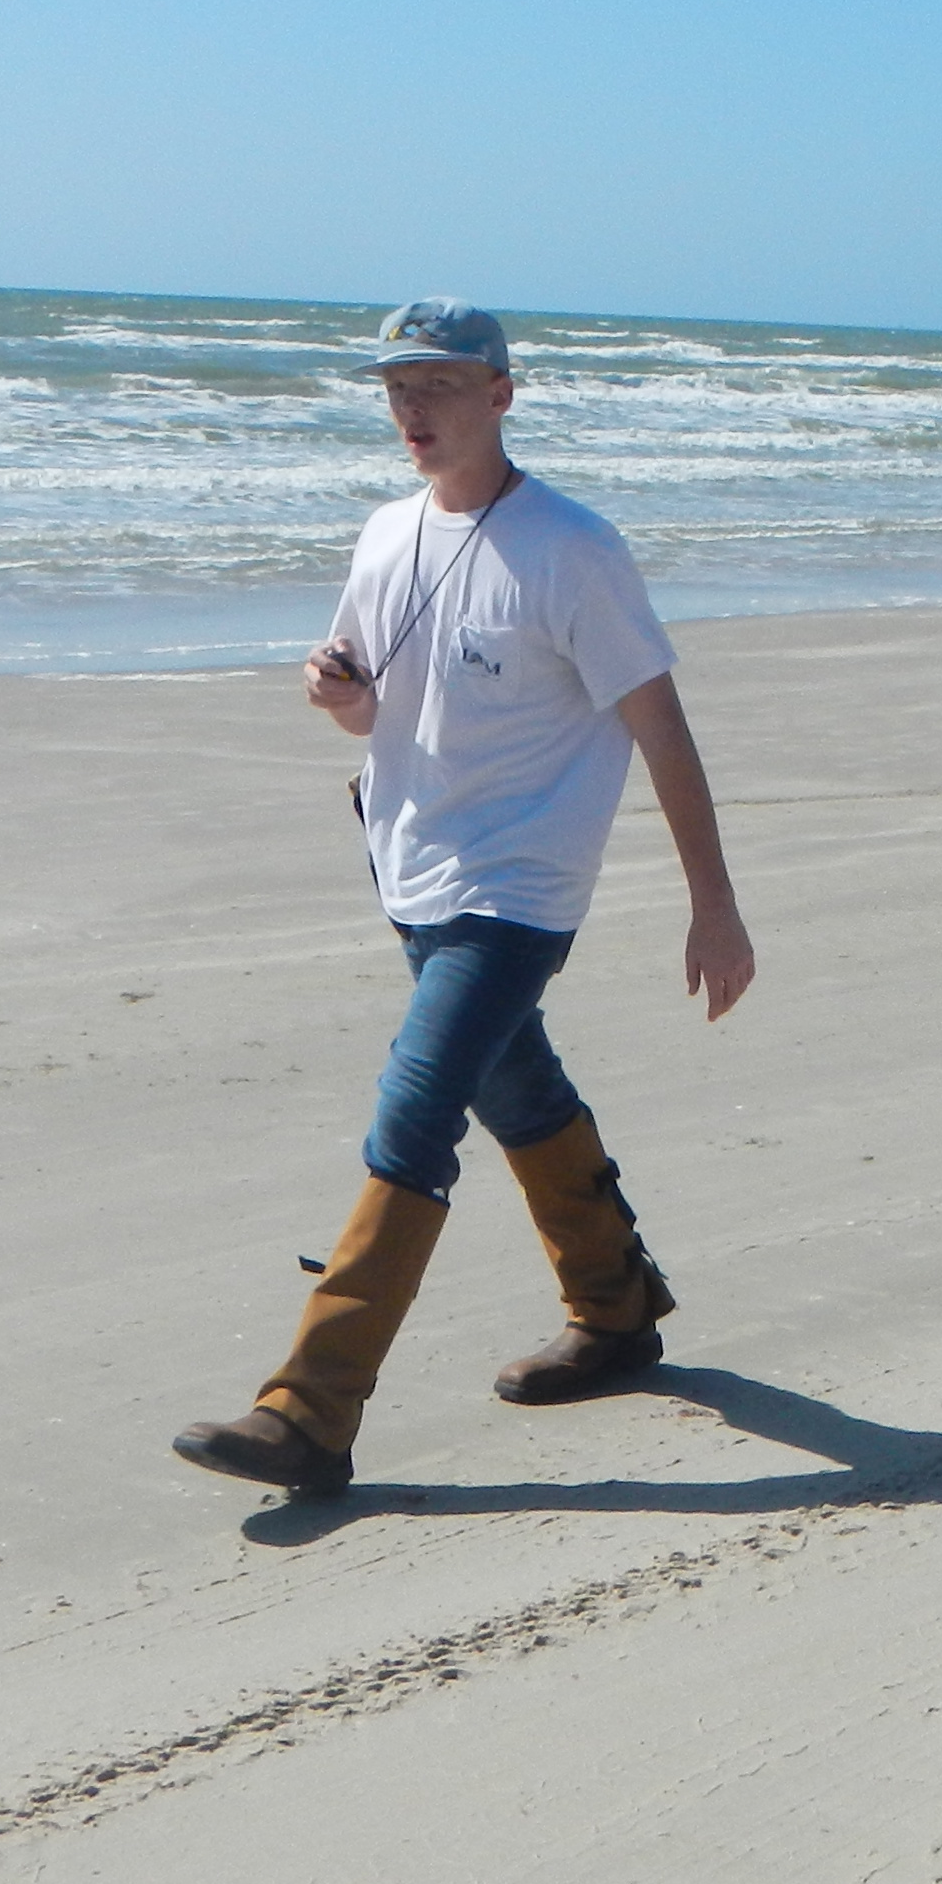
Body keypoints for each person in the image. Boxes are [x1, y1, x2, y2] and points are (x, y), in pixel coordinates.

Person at [173, 301, 754, 1500]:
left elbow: (660, 724)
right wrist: (337, 694)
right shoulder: (387, 533)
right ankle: (616, 1309)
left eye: (438, 384)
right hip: (409, 866)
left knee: (418, 1107)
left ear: (500, 393)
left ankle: (310, 1408)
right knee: (515, 1088)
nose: (413, 408)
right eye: (397, 387)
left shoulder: (571, 549)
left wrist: (715, 903)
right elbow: (368, 705)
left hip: (519, 887)